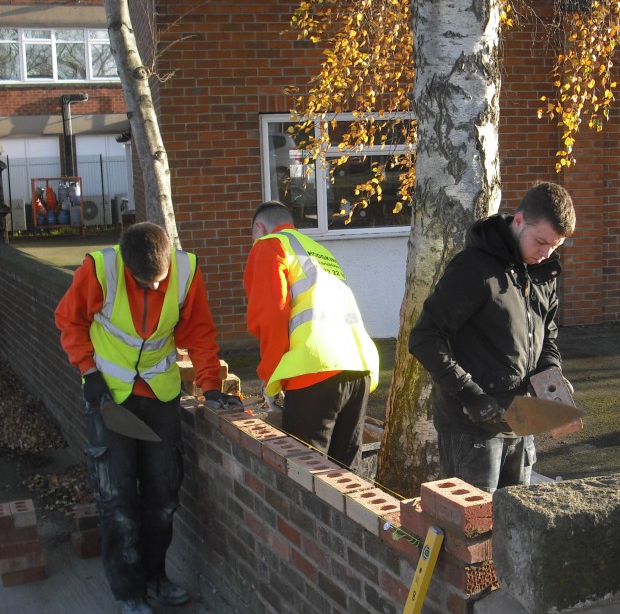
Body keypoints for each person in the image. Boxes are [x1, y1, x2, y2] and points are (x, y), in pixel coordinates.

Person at [55, 222, 242, 614]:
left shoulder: (186, 272)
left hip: (161, 395)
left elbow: (200, 333)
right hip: (111, 398)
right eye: (145, 284)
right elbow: (69, 321)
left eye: (159, 283)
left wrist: (210, 386)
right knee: (117, 501)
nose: (154, 290)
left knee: (163, 497)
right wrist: (89, 373)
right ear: (127, 264)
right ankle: (130, 594)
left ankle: (157, 578)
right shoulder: (99, 269)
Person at [408, 182, 576, 493]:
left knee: (516, 524)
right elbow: (424, 337)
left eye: (554, 246)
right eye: (541, 242)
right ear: (519, 221)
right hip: (471, 429)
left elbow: (547, 334)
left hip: (522, 421)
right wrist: (471, 394)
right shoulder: (474, 269)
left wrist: (551, 375)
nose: (545, 254)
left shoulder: (541, 272)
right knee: (472, 529)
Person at [244, 201, 380, 471]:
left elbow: (270, 315)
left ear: (259, 228)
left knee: (308, 475)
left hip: (314, 371)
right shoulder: (317, 250)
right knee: (348, 476)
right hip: (359, 367)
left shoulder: (269, 245)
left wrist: (271, 378)